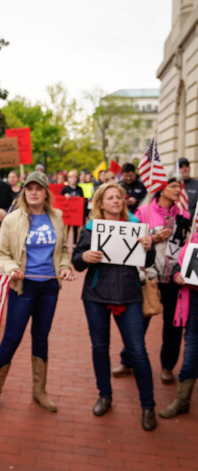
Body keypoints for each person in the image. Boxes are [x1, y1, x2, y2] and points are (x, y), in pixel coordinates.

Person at [0, 171, 74, 417]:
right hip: (22, 288)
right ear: (24, 191)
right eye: (29, 188)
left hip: (49, 288)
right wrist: (12, 269)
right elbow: (1, 254)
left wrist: (64, 267)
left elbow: (63, 250)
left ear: (46, 192)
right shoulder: (13, 220)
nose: (33, 192)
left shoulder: (57, 217)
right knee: (12, 338)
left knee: (41, 338)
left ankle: (39, 390)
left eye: (38, 188)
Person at [72, 182, 157, 431]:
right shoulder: (90, 229)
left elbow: (146, 261)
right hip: (96, 296)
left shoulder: (136, 227)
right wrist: (84, 257)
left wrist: (149, 248)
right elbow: (77, 262)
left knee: (138, 352)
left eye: (119, 196)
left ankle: (148, 405)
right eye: (110, 197)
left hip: (129, 296)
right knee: (100, 348)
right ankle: (105, 395)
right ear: (100, 203)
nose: (116, 200)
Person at [114, 173, 190, 384]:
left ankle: (167, 366)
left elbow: (190, 244)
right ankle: (127, 360)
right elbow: (131, 242)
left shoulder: (184, 215)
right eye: (174, 186)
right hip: (149, 278)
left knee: (173, 327)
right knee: (138, 323)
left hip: (175, 280)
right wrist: (152, 238)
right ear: (161, 188)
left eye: (179, 187)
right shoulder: (143, 211)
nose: (178, 190)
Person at [159, 230, 198, 419]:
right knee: (191, 352)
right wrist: (177, 276)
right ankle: (182, 400)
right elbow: (177, 267)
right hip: (195, 304)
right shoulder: (193, 239)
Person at [61, 170, 85, 246]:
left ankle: (74, 243)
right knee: (65, 228)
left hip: (75, 213)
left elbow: (83, 200)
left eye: (74, 177)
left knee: (75, 228)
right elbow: (60, 201)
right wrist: (65, 197)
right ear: (68, 178)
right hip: (67, 212)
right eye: (71, 177)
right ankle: (64, 242)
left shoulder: (80, 189)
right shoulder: (65, 189)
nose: (73, 179)